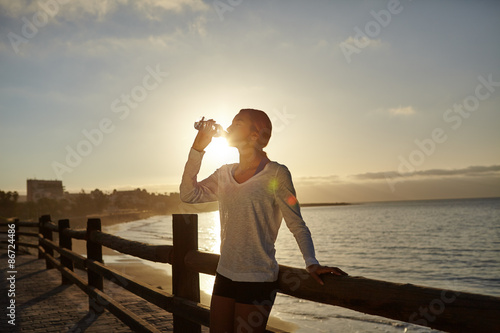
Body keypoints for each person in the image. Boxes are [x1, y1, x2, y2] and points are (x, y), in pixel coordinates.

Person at [180, 109, 347, 333]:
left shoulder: (277, 174)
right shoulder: (224, 174)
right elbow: (188, 195)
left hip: (257, 279)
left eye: (237, 123)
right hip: (225, 274)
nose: (229, 127)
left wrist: (311, 261)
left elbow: (296, 223)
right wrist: (197, 149)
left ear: (255, 136)